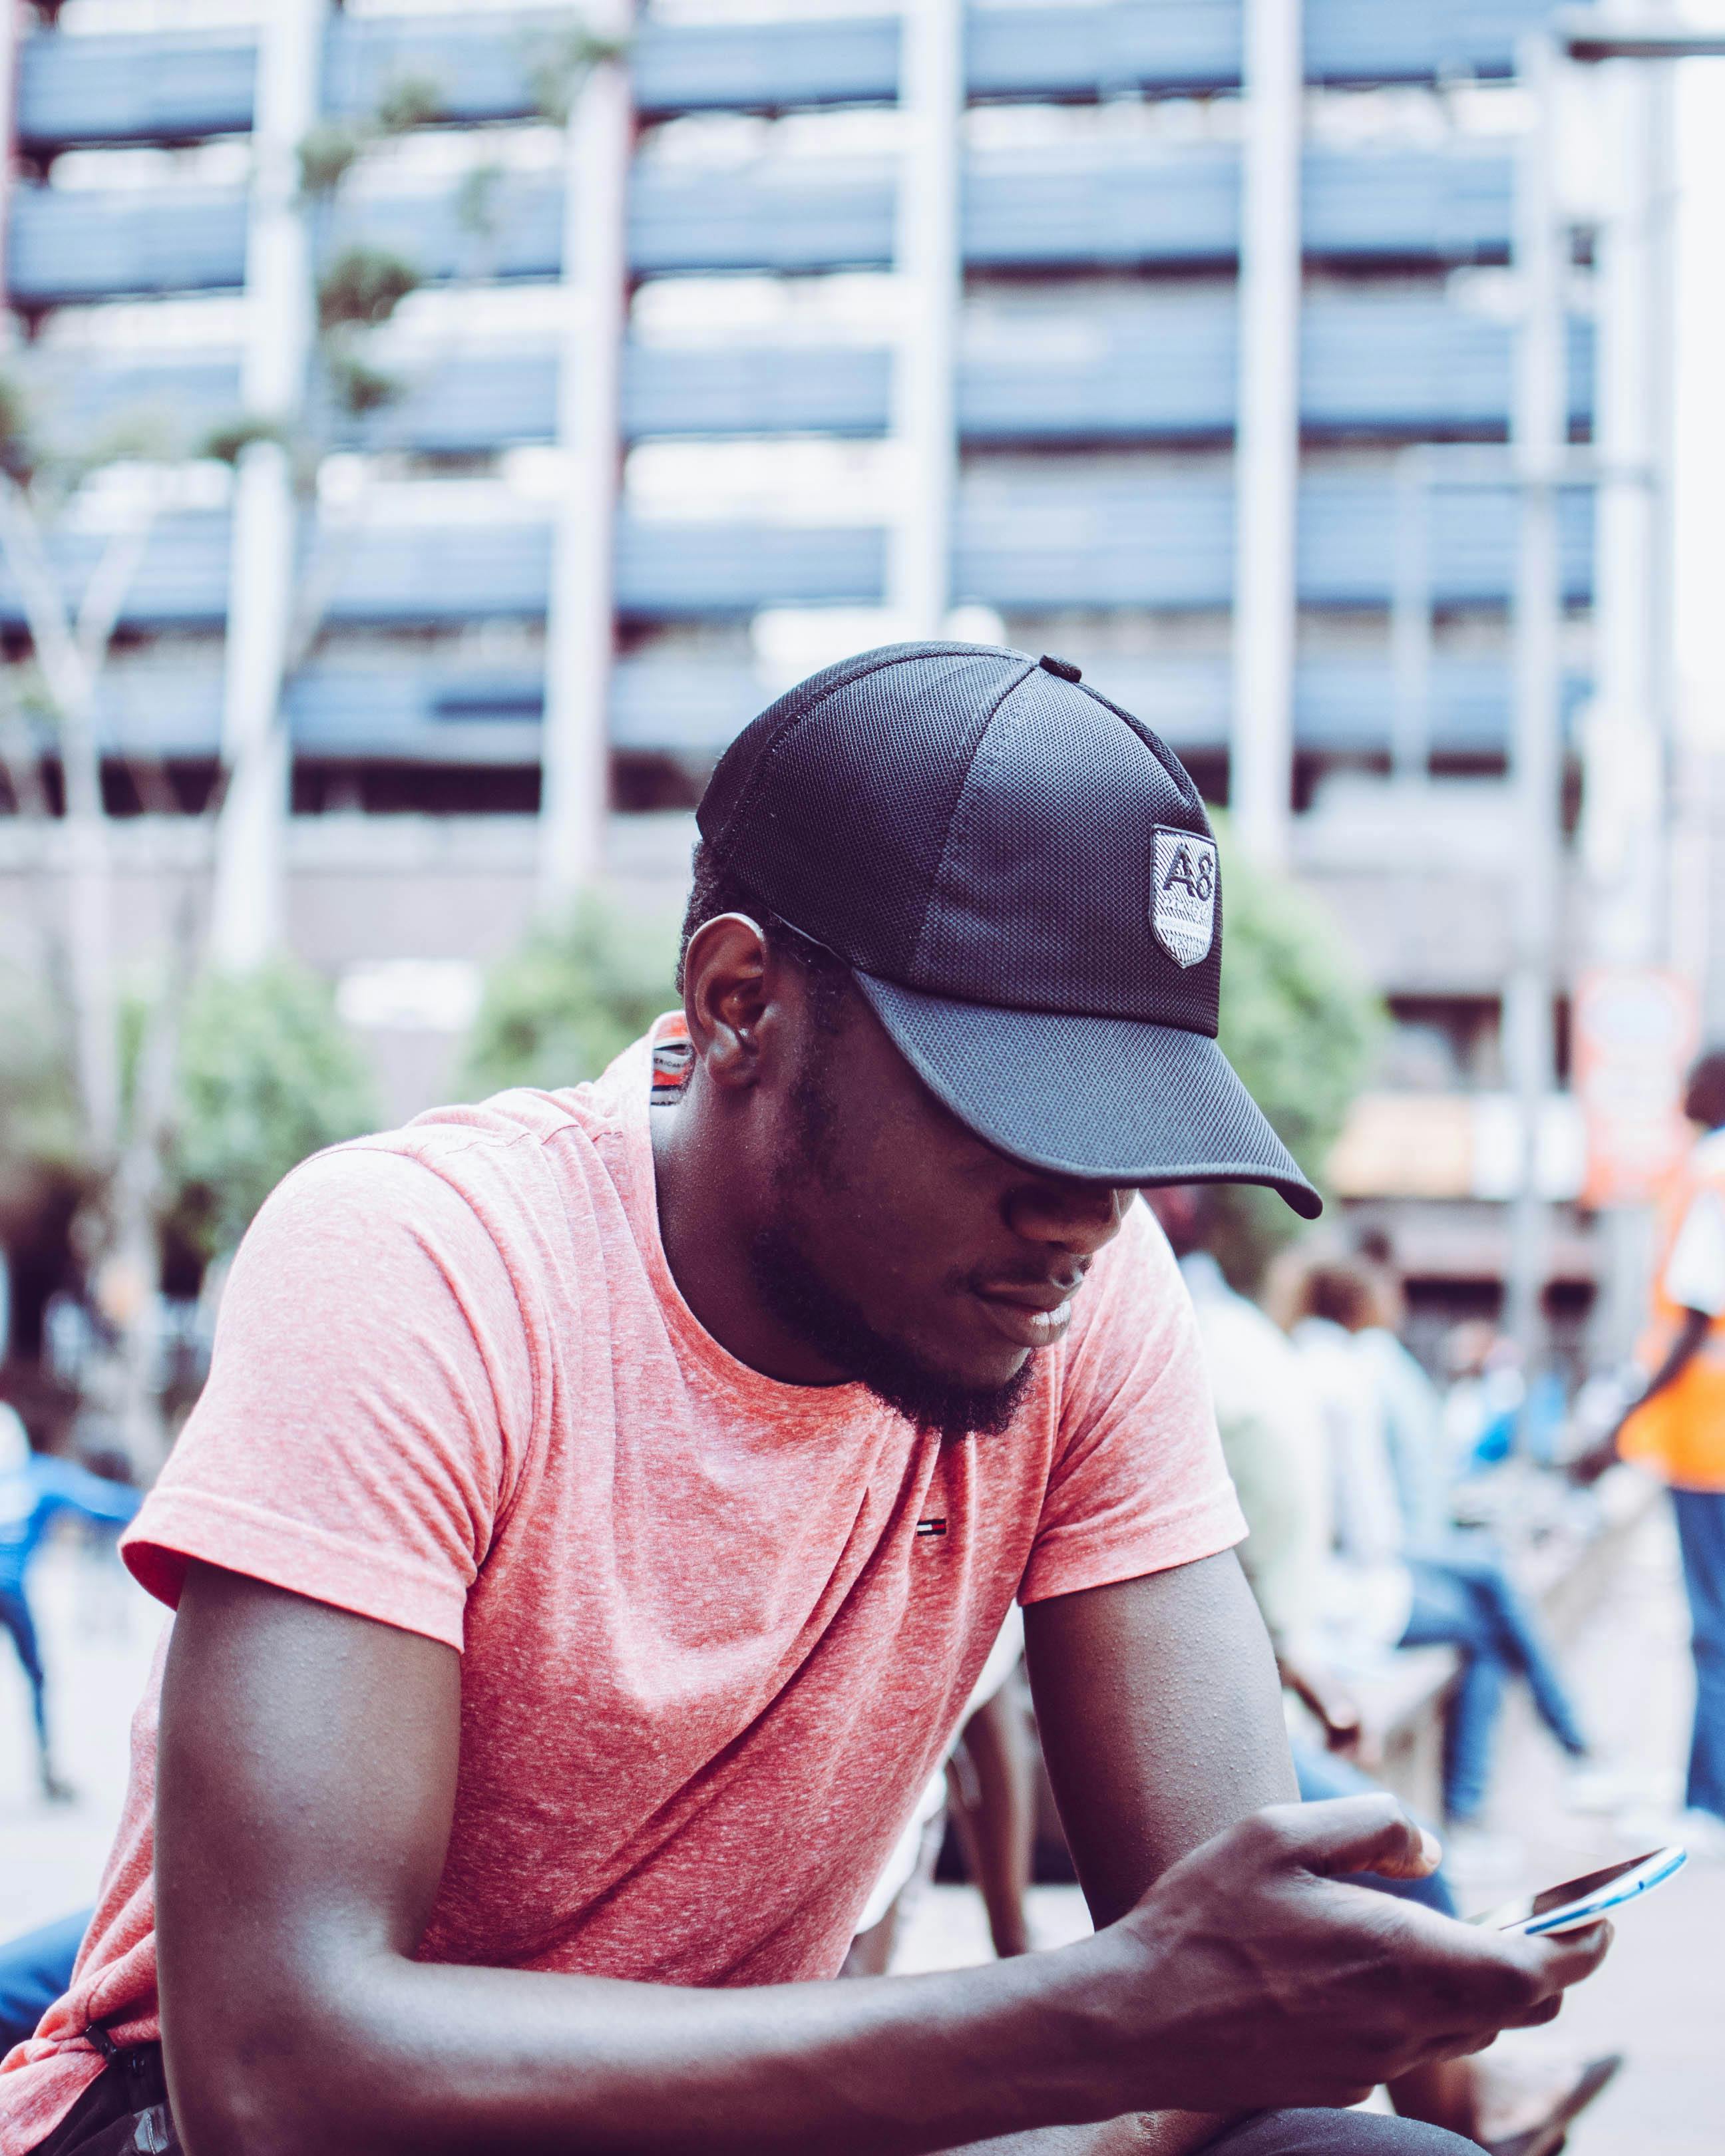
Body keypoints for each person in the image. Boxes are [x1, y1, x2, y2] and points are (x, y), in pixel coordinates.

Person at [0, 642, 1607, 2156]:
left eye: (1130, 1132)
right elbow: (273, 2073)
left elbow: (1219, 1984)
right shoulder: (426, 1258)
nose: (1086, 1208)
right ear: (738, 1001)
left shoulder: (1074, 1299)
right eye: (1017, 1111)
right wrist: (1096, 2018)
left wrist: (1313, 1991)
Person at [1153, 1195, 1621, 2156]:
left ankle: (1472, 2099)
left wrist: (1295, 1663)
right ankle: (1470, 2109)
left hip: (1276, 1649)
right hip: (1271, 1651)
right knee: (1396, 1861)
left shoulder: (1210, 1345)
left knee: (1401, 1843)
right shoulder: (1234, 1350)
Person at [1278, 1258, 1591, 1846]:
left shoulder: (1297, 1359)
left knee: (1489, 1589)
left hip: (1330, 1578)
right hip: (1350, 1586)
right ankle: (1508, 1788)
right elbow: (1369, 1523)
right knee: (1486, 1621)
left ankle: (1550, 1761)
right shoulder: (1353, 1376)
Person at [1574, 1047, 1725, 1853]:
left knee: (1714, 1628)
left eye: (1694, 1077)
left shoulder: (1713, 1174)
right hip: (1707, 1438)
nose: (1681, 1090)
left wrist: (1619, 1421)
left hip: (1710, 1443)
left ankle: (1711, 1806)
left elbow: (1696, 1315)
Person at [0, 1405, 139, 1804]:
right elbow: (100, 1502)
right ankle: (47, 1770)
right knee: (37, 1676)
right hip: (12, 1590)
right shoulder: (39, 1476)